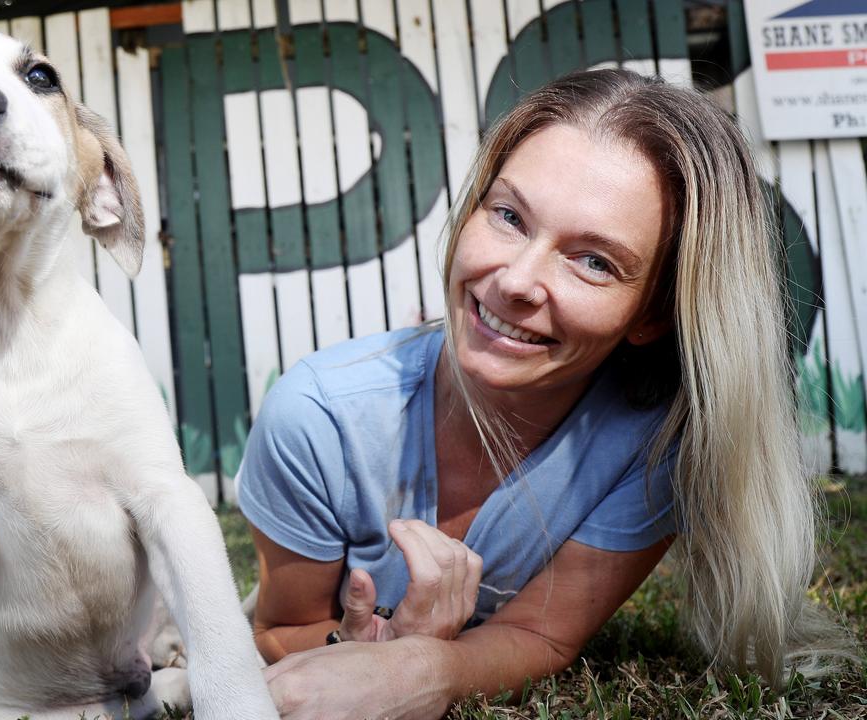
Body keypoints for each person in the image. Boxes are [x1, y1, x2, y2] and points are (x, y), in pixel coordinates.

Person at [235, 68, 855, 719]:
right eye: (508, 216)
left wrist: (429, 666)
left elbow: (542, 632)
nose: (517, 281)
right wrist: (355, 647)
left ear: (653, 315)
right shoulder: (316, 414)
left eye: (595, 261)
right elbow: (279, 630)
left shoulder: (653, 443)